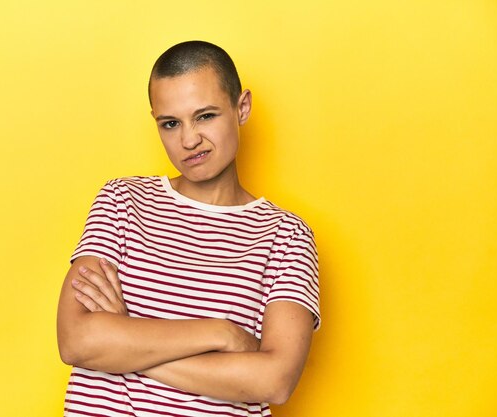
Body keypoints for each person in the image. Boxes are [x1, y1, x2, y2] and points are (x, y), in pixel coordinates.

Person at [56, 40, 321, 417]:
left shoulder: (285, 235)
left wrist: (126, 343)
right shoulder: (121, 202)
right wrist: (220, 333)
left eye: (206, 116)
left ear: (241, 107)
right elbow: (77, 341)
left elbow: (274, 381)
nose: (189, 140)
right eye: (170, 123)